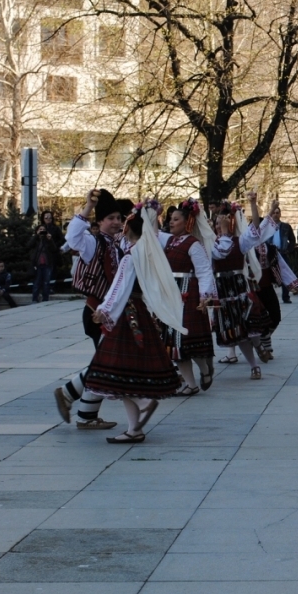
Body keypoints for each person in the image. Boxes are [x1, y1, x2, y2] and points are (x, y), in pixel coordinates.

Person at [87, 199, 184, 443]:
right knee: (130, 376)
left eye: (125, 222)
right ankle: (134, 429)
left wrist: (103, 310)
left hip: (127, 315)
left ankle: (144, 403)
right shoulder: (148, 252)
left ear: (130, 228)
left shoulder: (131, 256)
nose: (121, 226)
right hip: (139, 312)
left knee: (118, 372)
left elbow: (119, 287)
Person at [54, 189, 131, 430]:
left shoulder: (119, 244)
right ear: (99, 222)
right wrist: (88, 206)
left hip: (113, 313)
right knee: (106, 363)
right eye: (111, 218)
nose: (116, 222)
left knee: (107, 362)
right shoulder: (92, 242)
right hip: (96, 311)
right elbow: (73, 236)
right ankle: (69, 394)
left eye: (119, 218)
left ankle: (85, 413)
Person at [211, 193, 279, 380]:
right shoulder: (212, 244)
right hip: (224, 291)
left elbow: (256, 227)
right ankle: (254, 366)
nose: (219, 226)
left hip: (239, 287)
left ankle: (258, 346)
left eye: (222, 223)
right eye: (216, 223)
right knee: (238, 333)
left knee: (250, 326)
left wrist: (252, 203)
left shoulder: (239, 241)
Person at [159, 198, 218, 396]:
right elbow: (149, 235)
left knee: (188, 341)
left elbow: (203, 271)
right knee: (174, 344)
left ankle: (205, 369)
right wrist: (150, 212)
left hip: (188, 295)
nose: (171, 222)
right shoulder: (168, 240)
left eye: (175, 219)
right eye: (170, 219)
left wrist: (205, 297)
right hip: (171, 295)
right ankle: (191, 384)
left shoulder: (193, 244)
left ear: (187, 222)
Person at [29, 214, 62, 303]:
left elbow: (54, 249)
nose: (42, 231)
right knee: (37, 283)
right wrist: (37, 236)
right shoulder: (35, 240)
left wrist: (50, 239)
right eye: (40, 230)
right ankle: (35, 299)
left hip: (47, 264)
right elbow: (29, 245)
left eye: (44, 230)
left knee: (46, 282)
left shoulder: (48, 240)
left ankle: (45, 299)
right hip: (37, 264)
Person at [269, 205, 297, 303]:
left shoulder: (286, 227)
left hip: (283, 253)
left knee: (285, 274)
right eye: (274, 213)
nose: (275, 215)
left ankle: (286, 296)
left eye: (277, 213)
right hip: (270, 254)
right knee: (270, 275)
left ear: (280, 214)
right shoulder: (267, 226)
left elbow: (292, 240)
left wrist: (289, 250)